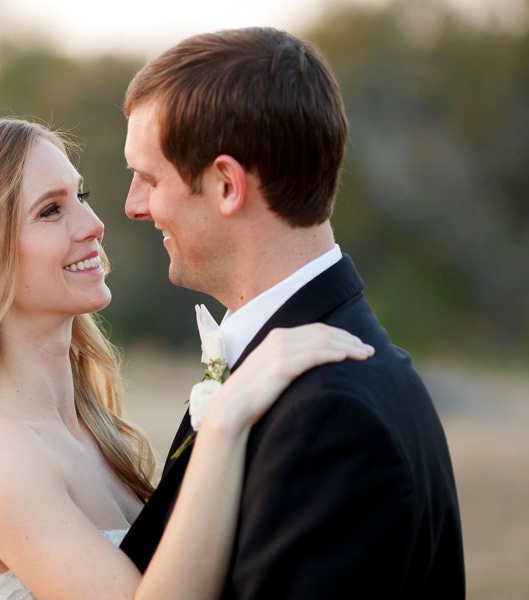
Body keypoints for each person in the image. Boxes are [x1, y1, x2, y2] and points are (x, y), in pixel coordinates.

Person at [0, 117, 374, 599]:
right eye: (51, 210)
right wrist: (225, 421)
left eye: (80, 196)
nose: (93, 223)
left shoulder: (92, 431)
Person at [119, 27, 465, 598]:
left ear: (227, 184)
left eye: (150, 179)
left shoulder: (330, 418)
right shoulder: (289, 370)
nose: (134, 205)